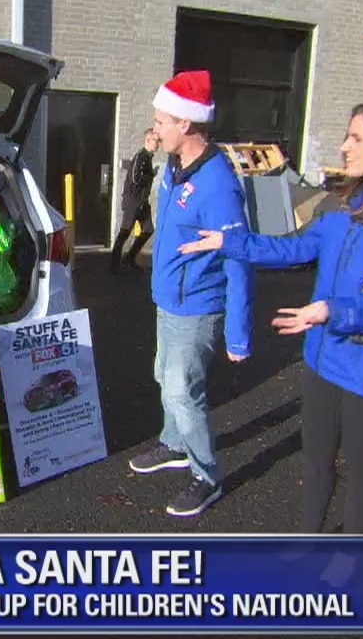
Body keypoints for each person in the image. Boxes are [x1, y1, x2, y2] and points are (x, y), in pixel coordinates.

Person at [177, 32, 363, 535]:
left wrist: (334, 311)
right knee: (316, 459)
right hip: (324, 353)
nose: (344, 147)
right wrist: (229, 242)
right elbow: (295, 248)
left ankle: (352, 555)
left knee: (361, 466)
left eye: (356, 139)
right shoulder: (344, 201)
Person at [128, 70, 254, 518]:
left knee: (183, 390)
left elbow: (240, 257)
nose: (155, 129)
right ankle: (173, 443)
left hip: (198, 305)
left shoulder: (218, 185)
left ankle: (206, 477)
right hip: (169, 298)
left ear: (185, 124)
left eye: (161, 122)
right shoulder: (174, 165)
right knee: (164, 375)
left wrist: (238, 333)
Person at [110, 127, 160, 273]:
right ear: (148, 140)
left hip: (143, 203)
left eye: (159, 141)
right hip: (133, 202)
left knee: (148, 230)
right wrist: (150, 176)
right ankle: (114, 265)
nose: (158, 144)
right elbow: (135, 178)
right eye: (156, 141)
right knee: (125, 231)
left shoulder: (148, 158)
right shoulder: (141, 156)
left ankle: (129, 258)